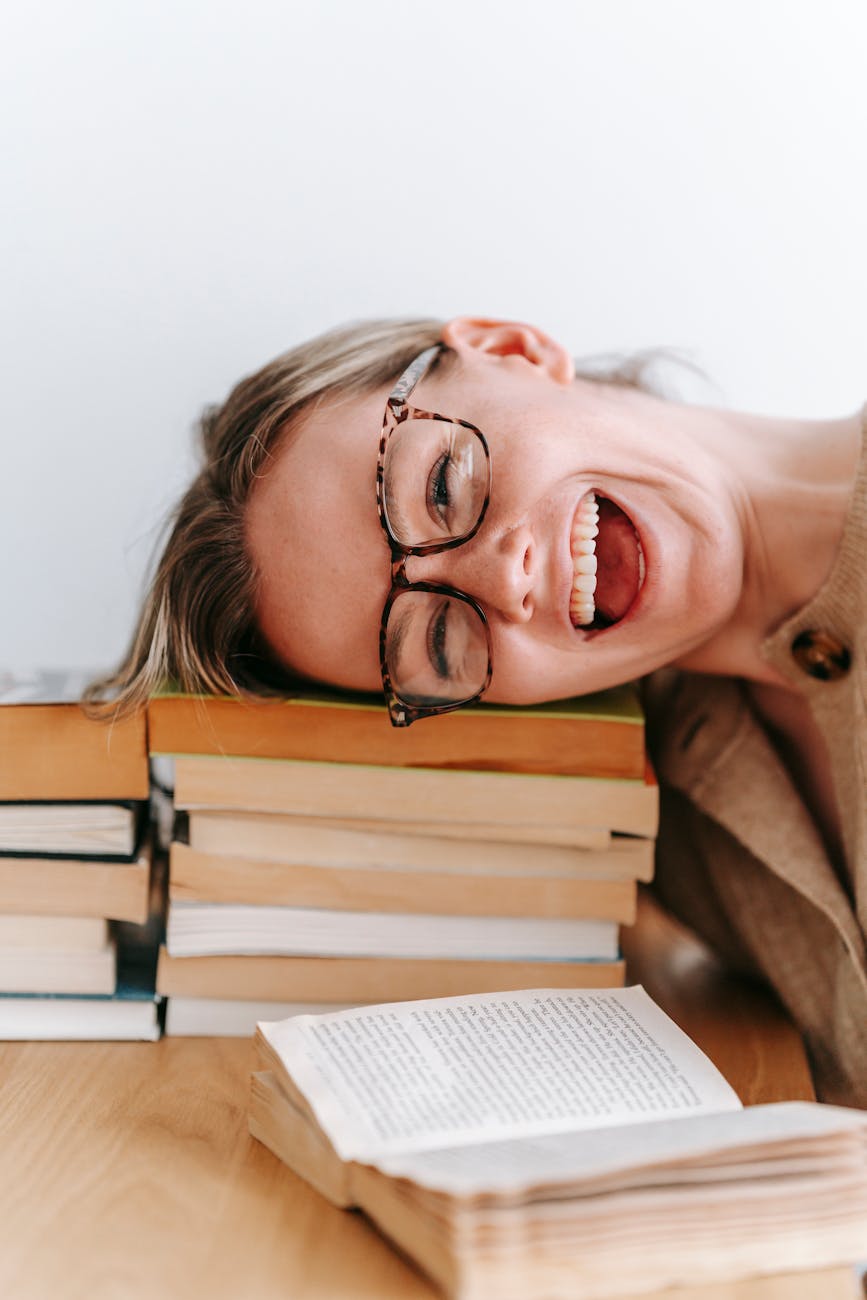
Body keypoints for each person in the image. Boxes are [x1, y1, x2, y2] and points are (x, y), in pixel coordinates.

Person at [93, 315, 867, 1106]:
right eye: (431, 639)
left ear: (510, 350)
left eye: (439, 488)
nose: (504, 583)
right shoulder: (679, 837)